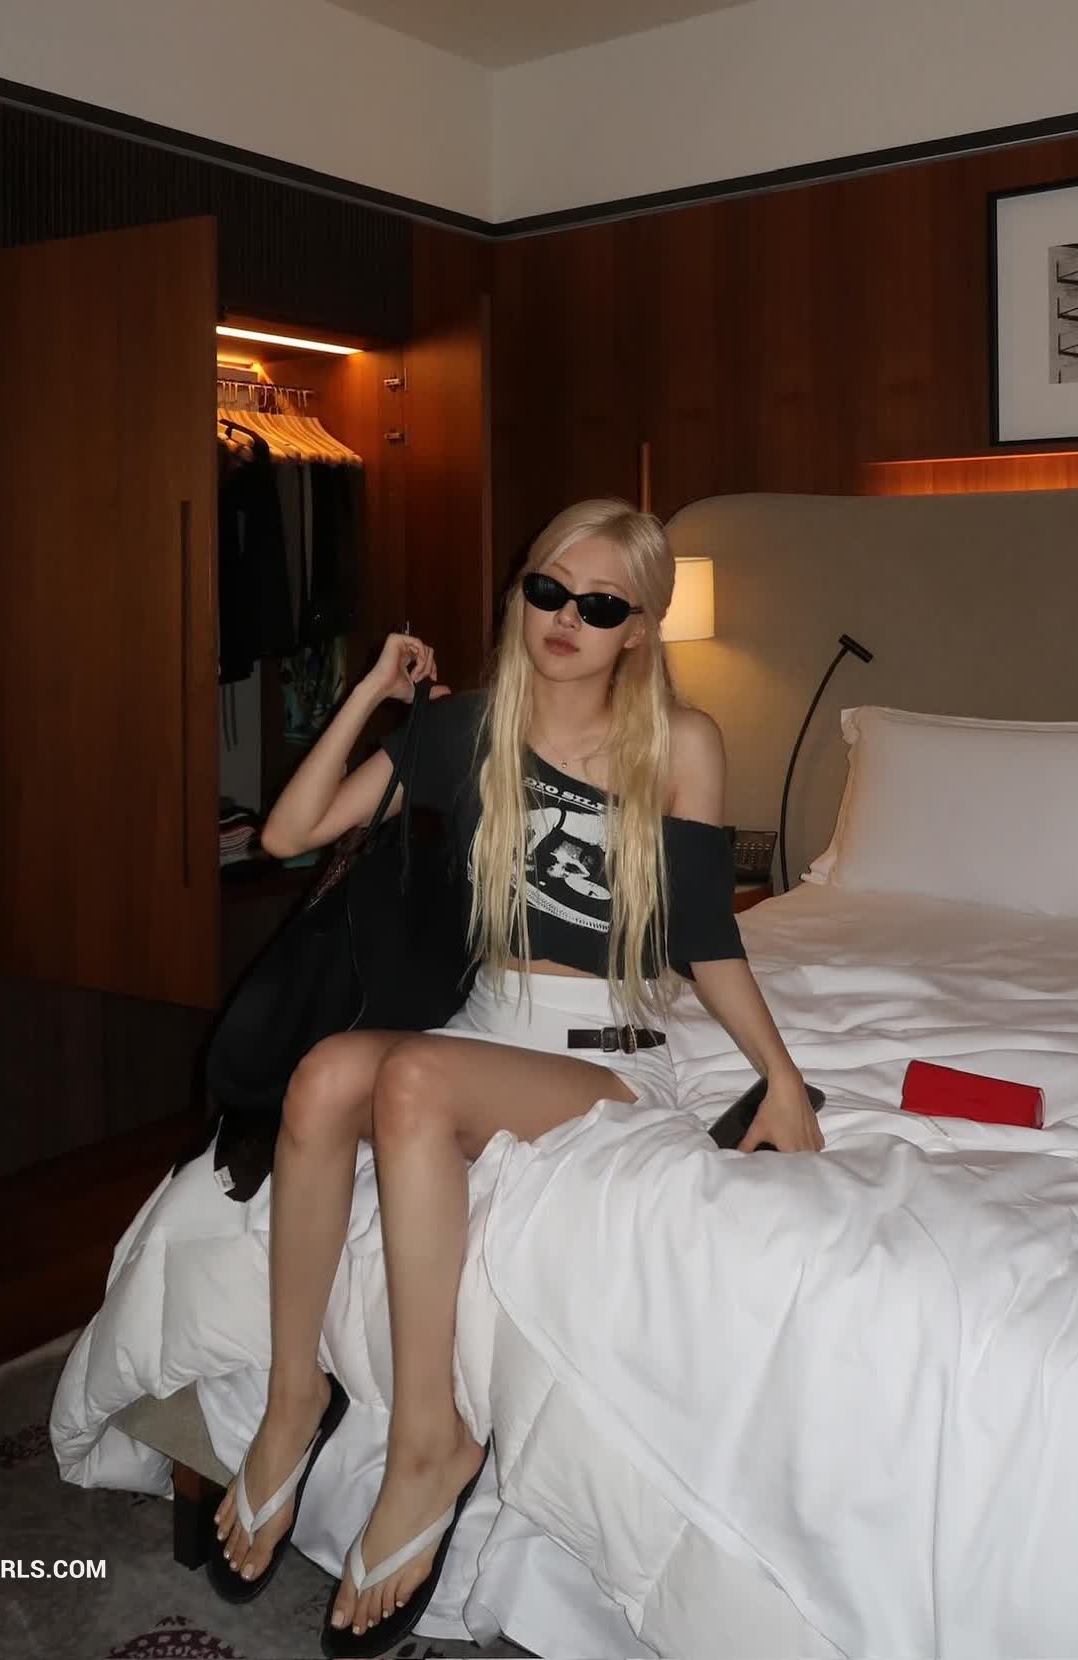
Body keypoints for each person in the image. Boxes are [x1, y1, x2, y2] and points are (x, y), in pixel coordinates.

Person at [210, 497, 824, 1654]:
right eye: (548, 589)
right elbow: (290, 834)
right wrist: (374, 691)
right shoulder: (466, 730)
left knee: (410, 1083)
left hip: (607, 1055)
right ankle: (295, 1398)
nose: (566, 618)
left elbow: (705, 938)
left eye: (600, 605)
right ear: (521, 591)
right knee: (324, 1078)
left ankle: (429, 1442)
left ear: (639, 628)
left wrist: (780, 1078)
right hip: (486, 1028)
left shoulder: (681, 744)